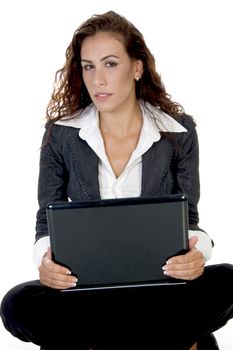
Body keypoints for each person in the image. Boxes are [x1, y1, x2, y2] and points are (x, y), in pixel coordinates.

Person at [1, 10, 233, 350]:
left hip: (159, 287)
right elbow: (44, 219)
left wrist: (196, 255)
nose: (97, 80)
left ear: (136, 68)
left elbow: (190, 219)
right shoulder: (61, 135)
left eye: (110, 64)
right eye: (88, 66)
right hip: (88, 291)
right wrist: (46, 262)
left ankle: (97, 342)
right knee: (16, 303)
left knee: (227, 279)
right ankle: (169, 340)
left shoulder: (178, 132)